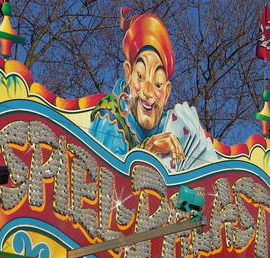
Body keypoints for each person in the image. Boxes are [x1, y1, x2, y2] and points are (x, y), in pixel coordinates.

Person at [88, 9, 217, 171]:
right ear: (129, 73)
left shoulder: (169, 126)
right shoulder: (111, 114)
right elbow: (104, 176)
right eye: (140, 76)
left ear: (167, 91)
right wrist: (149, 148)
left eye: (158, 84)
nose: (148, 92)